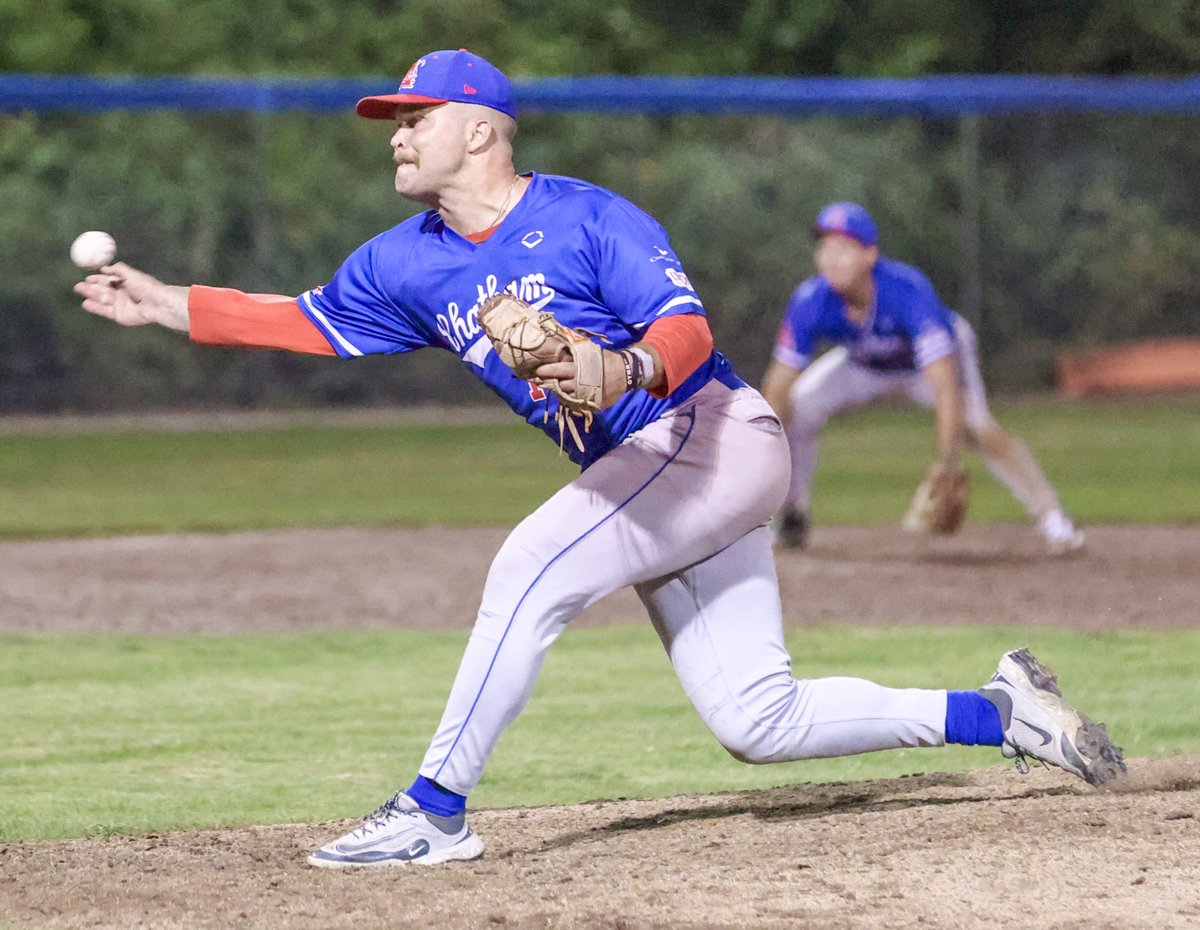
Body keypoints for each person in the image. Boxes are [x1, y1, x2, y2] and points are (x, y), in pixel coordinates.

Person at [75, 51, 1123, 869]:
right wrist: (162, 301)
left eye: (414, 118)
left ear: (479, 129)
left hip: (711, 438)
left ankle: (434, 811)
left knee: (531, 564)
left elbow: (689, 333)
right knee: (757, 718)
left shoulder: (583, 217)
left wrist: (621, 372)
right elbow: (301, 321)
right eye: (393, 122)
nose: (394, 137)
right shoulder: (402, 261)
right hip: (663, 478)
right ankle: (1002, 712)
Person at [760, 202, 1087, 555]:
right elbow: (779, 382)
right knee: (799, 409)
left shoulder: (906, 290)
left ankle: (1054, 521)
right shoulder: (811, 299)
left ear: (870, 255)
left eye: (844, 247)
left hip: (930, 362)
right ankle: (793, 514)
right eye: (825, 246)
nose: (831, 257)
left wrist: (947, 461)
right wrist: (762, 447)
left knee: (977, 426)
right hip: (864, 364)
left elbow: (944, 384)